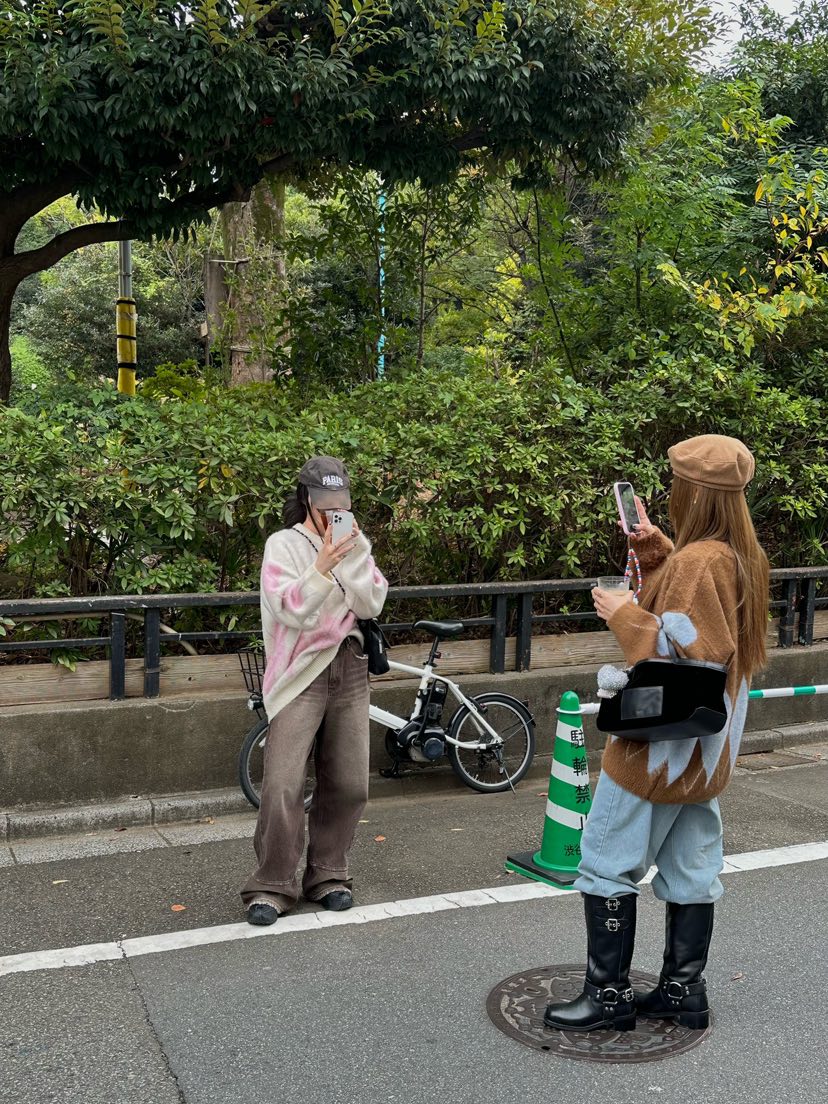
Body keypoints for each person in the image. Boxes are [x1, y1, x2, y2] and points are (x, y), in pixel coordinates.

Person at [544, 435, 769, 1033]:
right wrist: (663, 555)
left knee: (604, 861)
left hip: (659, 751)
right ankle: (681, 989)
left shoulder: (702, 562)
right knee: (692, 865)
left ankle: (608, 997)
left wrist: (623, 616)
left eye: (676, 485)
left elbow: (687, 653)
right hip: (708, 751)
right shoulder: (739, 556)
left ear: (692, 492)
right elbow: (712, 634)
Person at [241, 456, 388, 926]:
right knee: (283, 783)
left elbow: (371, 601)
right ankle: (272, 884)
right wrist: (322, 567)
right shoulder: (282, 545)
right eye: (325, 505)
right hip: (299, 673)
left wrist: (351, 555)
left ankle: (329, 874)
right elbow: (291, 610)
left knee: (349, 781)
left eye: (341, 504)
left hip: (350, 666)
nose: (332, 513)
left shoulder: (355, 543)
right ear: (306, 498)